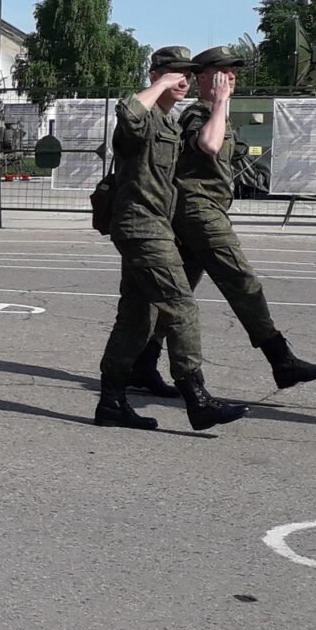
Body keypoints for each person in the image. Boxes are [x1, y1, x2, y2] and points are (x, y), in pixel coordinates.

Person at [126, 46, 316, 396]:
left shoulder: (217, 113)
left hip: (200, 212)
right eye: (222, 71)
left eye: (234, 70)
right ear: (203, 77)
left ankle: (143, 364)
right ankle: (281, 360)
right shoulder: (198, 113)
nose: (231, 76)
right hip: (198, 212)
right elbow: (207, 145)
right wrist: (220, 101)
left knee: (176, 296)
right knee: (242, 281)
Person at [94, 46, 245, 431]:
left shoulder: (170, 125)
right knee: (181, 306)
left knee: (136, 316)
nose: (184, 80)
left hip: (158, 226)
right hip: (140, 226)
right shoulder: (141, 121)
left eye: (189, 75)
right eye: (175, 73)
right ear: (155, 76)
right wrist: (161, 81)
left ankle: (111, 402)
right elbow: (128, 113)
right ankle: (198, 399)